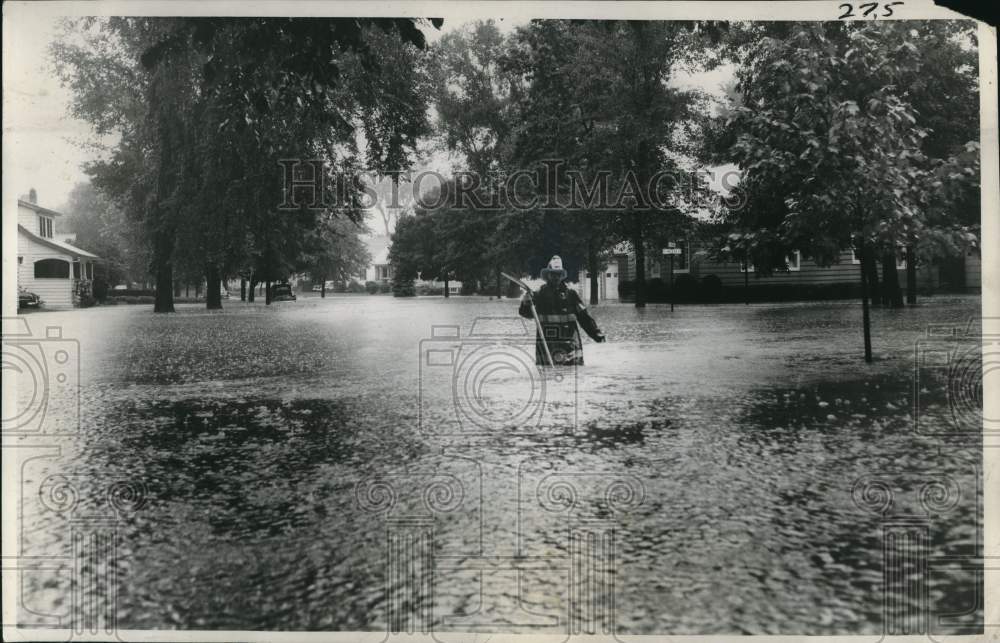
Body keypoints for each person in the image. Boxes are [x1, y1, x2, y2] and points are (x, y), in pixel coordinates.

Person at [518, 255, 605, 366]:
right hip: (547, 346)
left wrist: (597, 334)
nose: (556, 277)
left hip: (570, 344)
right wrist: (525, 302)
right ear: (548, 275)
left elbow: (584, 318)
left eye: (558, 274)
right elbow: (526, 314)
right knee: (547, 376)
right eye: (553, 274)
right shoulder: (539, 294)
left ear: (562, 276)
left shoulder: (571, 294)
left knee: (573, 377)